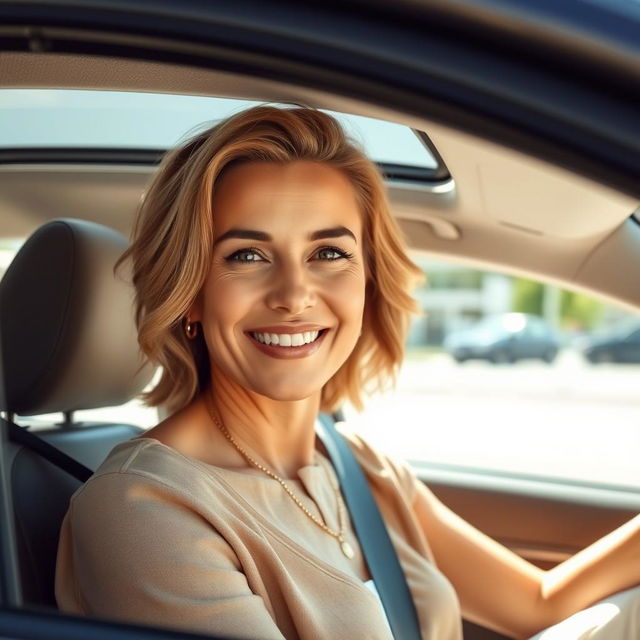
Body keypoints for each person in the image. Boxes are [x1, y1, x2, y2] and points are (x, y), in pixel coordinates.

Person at [55, 105, 640, 640]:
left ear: (368, 280)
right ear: (192, 295)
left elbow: (540, 603)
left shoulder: (356, 465)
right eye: (246, 255)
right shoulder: (143, 509)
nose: (293, 295)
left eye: (329, 253)